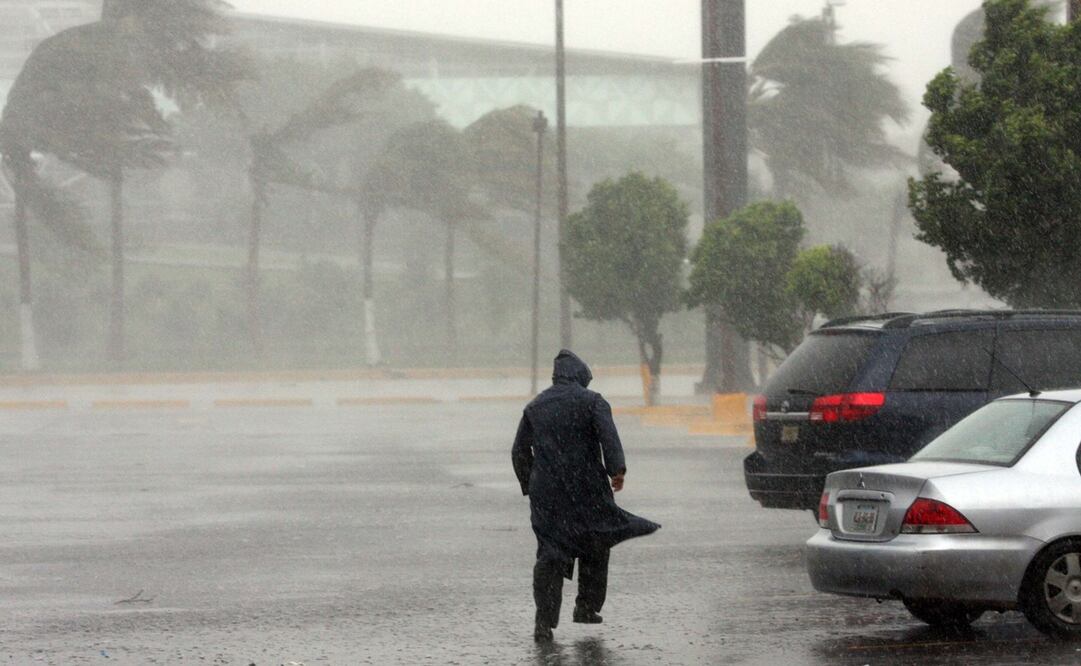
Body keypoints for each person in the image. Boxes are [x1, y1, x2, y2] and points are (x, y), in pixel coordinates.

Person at [512, 350, 660, 642]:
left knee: (551, 554)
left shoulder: (535, 406)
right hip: (587, 488)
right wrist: (617, 470)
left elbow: (519, 450)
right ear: (580, 376)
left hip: (548, 495)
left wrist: (531, 483)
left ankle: (543, 622)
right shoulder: (593, 401)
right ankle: (586, 607)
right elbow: (609, 437)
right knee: (596, 540)